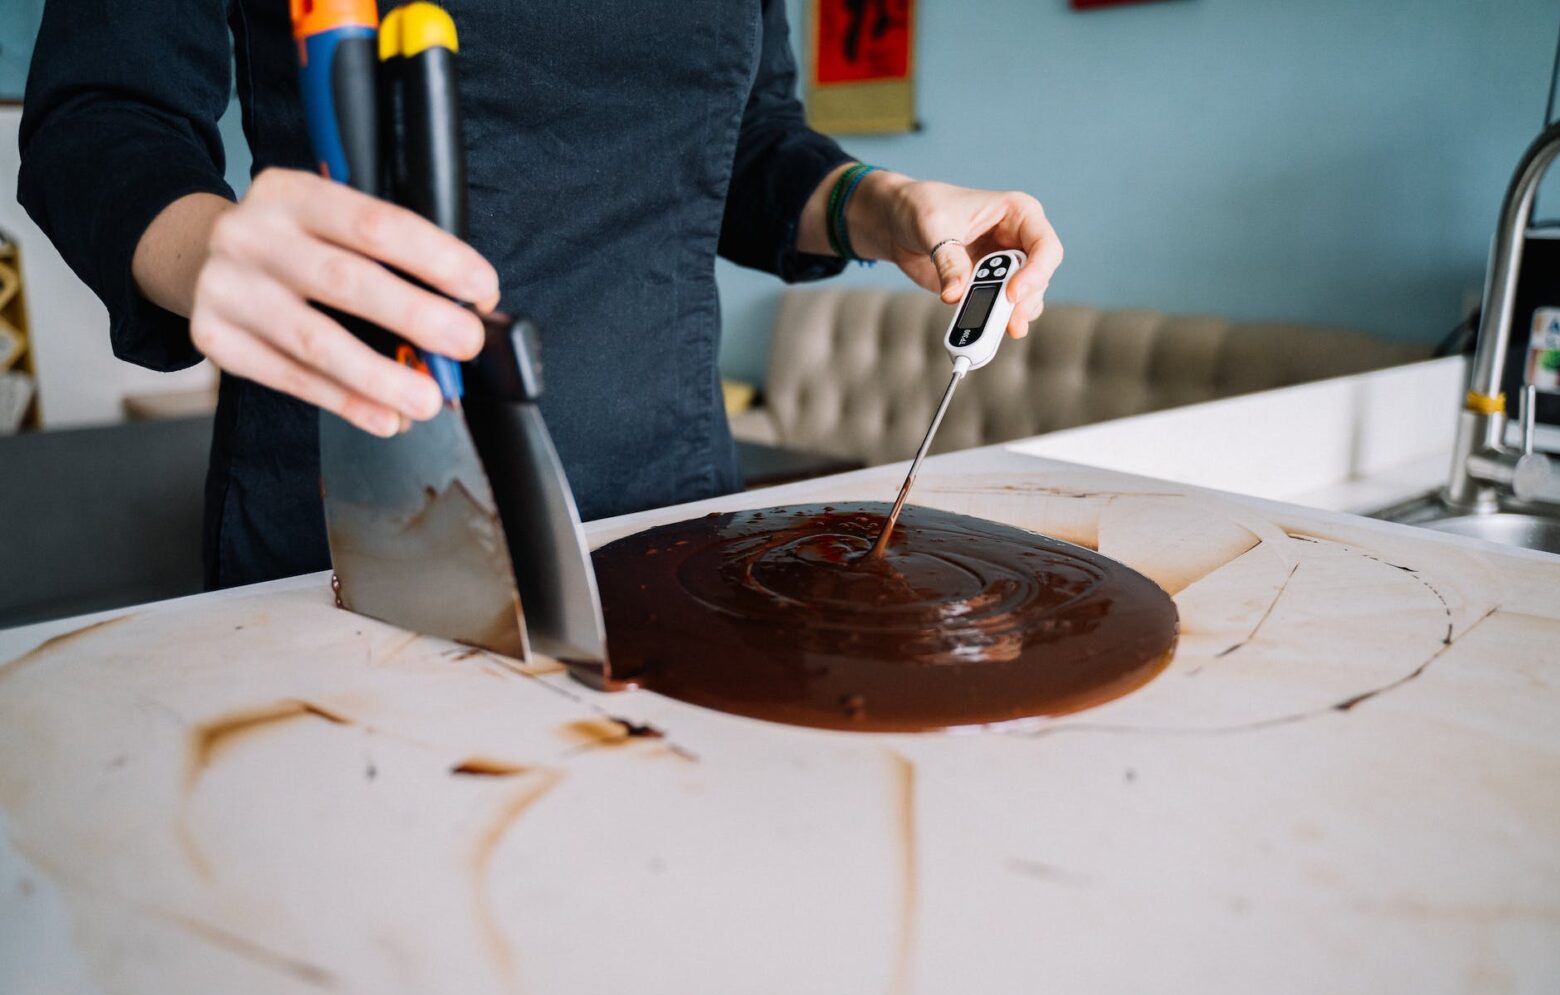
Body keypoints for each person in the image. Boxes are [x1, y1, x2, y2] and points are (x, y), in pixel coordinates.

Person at [19, 1, 1062, 590]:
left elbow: (746, 149)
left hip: (674, 499)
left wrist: (879, 206)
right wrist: (206, 248)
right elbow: (100, 116)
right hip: (373, 504)